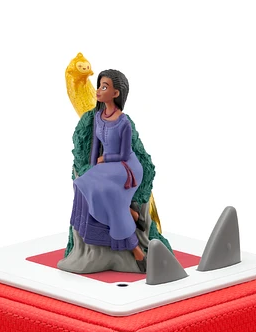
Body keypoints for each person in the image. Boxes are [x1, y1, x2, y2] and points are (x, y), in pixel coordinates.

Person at [58, 69, 172, 274]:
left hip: (126, 167)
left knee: (109, 193)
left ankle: (136, 249)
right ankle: (131, 214)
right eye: (99, 85)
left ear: (116, 93)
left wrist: (104, 159)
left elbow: (125, 153)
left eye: (104, 87)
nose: (98, 90)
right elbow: (95, 148)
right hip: (106, 167)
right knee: (82, 183)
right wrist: (92, 168)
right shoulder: (98, 117)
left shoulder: (123, 122)